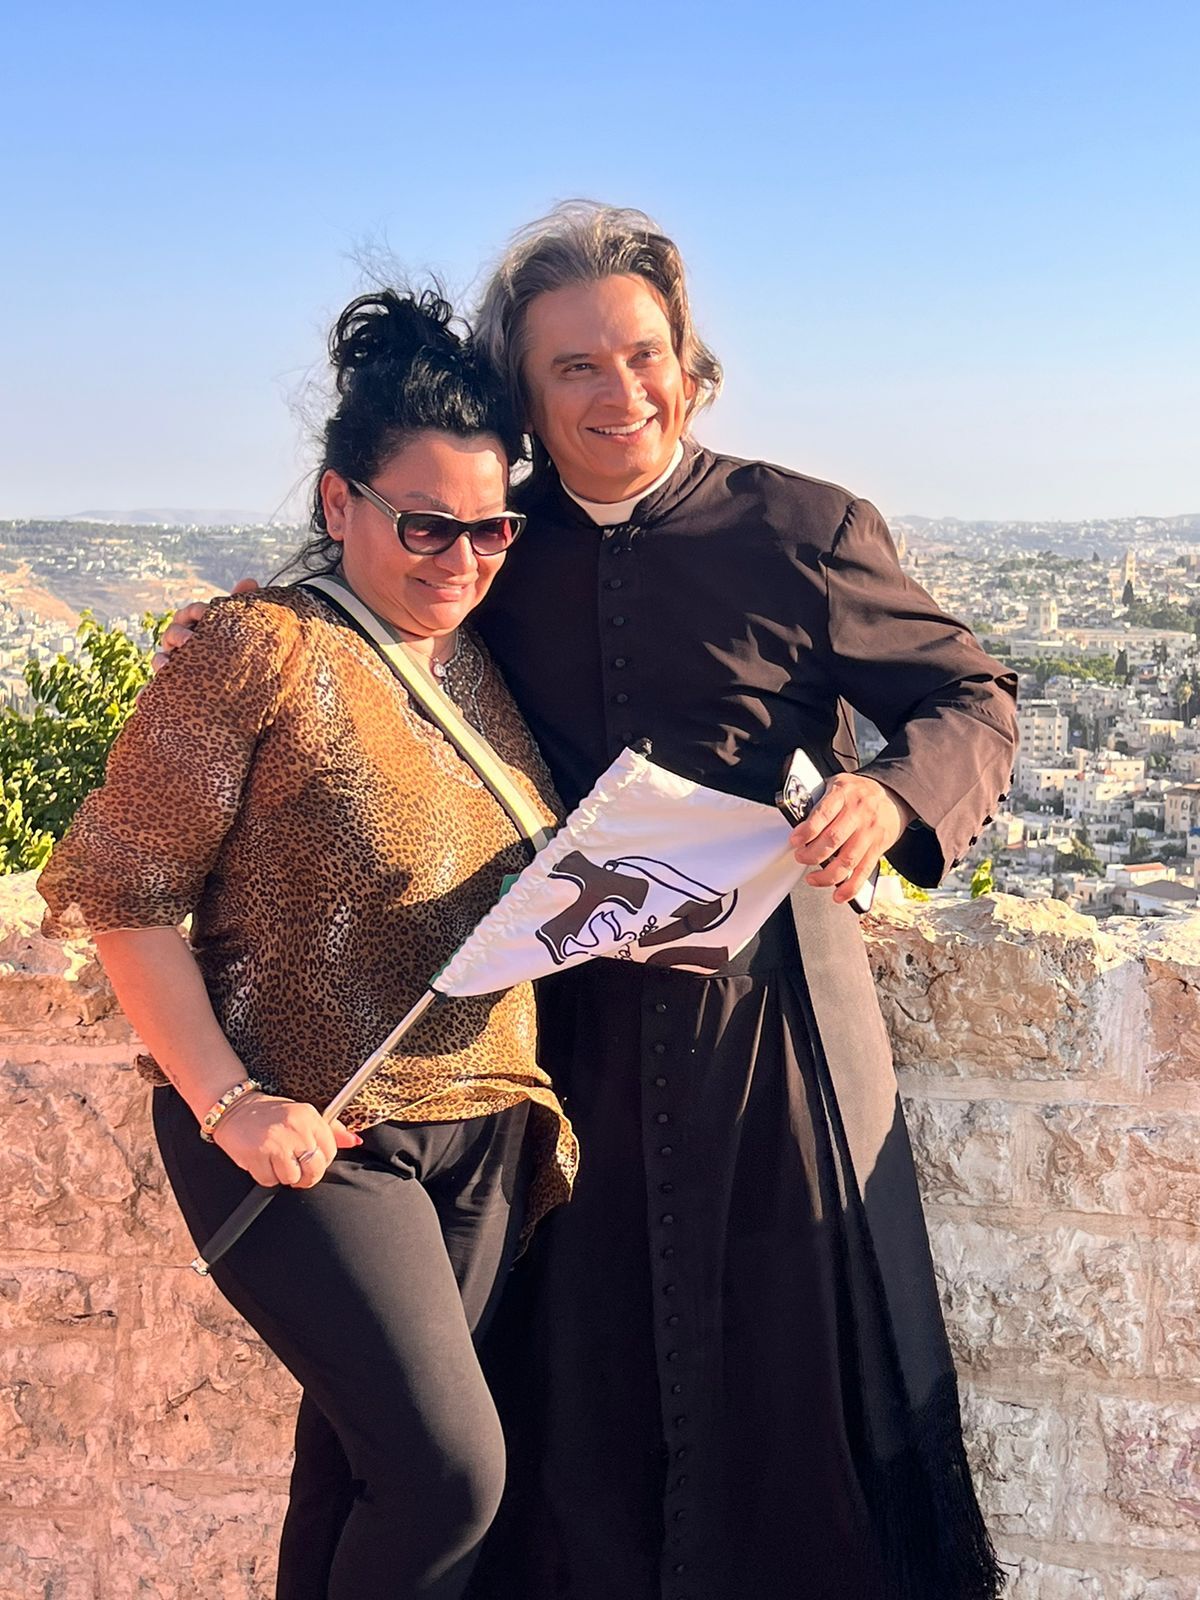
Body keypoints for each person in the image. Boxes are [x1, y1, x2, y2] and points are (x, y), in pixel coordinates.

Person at [160, 205, 1018, 1600]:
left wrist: (892, 798)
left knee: (785, 1404)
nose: (621, 394)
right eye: (575, 367)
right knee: (562, 1415)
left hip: (767, 1046)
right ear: (526, 388)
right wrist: (242, 625)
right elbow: (373, 618)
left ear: (688, 362)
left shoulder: (805, 529)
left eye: (643, 355)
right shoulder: (493, 542)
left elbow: (970, 698)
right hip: (558, 1053)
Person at [38, 288, 576, 1600]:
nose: (461, 558)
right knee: (450, 1477)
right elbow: (123, 895)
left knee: (357, 1472)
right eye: (426, 524)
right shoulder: (259, 649)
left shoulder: (477, 663)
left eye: (492, 527)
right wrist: (230, 1104)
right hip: (311, 1132)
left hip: (478, 1121)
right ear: (340, 502)